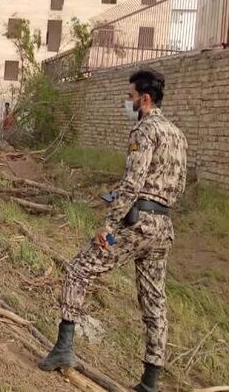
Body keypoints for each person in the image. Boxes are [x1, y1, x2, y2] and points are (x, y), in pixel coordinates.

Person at [38, 70, 188, 392]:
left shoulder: (144, 130)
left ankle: (64, 348)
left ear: (145, 99)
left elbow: (133, 184)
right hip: (163, 226)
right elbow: (178, 185)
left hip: (137, 223)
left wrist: (108, 226)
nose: (128, 101)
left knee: (79, 270)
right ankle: (150, 381)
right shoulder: (177, 134)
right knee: (154, 301)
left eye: (131, 96)